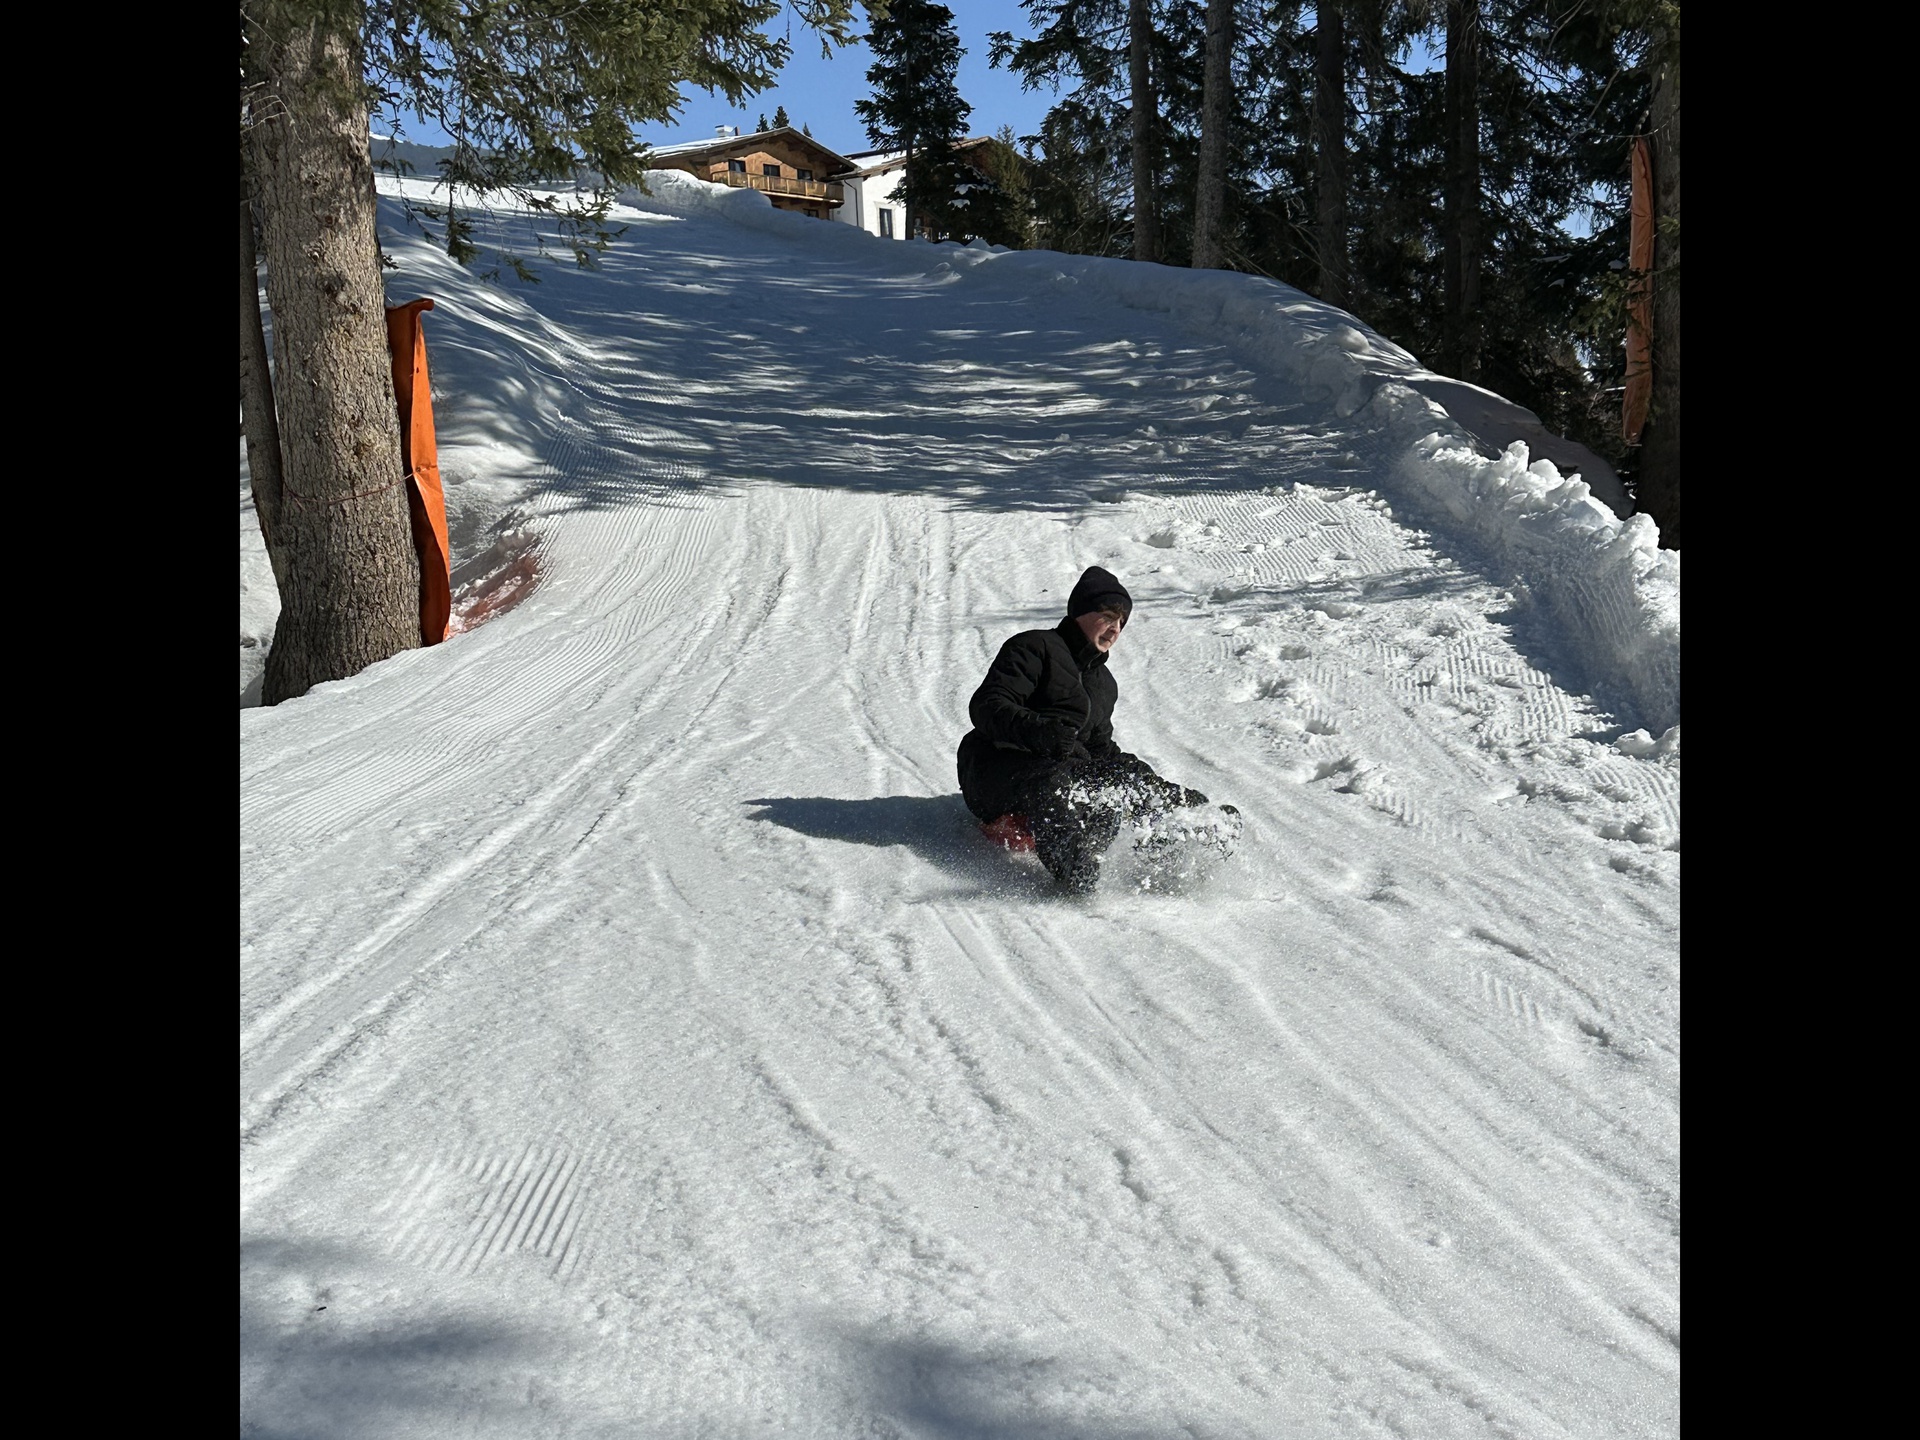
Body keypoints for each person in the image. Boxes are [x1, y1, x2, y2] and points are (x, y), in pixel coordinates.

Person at [957, 565, 1214, 893]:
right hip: (995, 772)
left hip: (1058, 779)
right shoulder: (1035, 648)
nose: (1115, 629)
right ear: (1081, 612)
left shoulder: (1103, 683)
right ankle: (1072, 864)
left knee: (1124, 780)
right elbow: (987, 705)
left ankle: (1176, 848)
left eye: (1121, 622)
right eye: (1108, 616)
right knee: (1052, 783)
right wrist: (1039, 731)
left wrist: (1152, 785)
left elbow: (1100, 750)